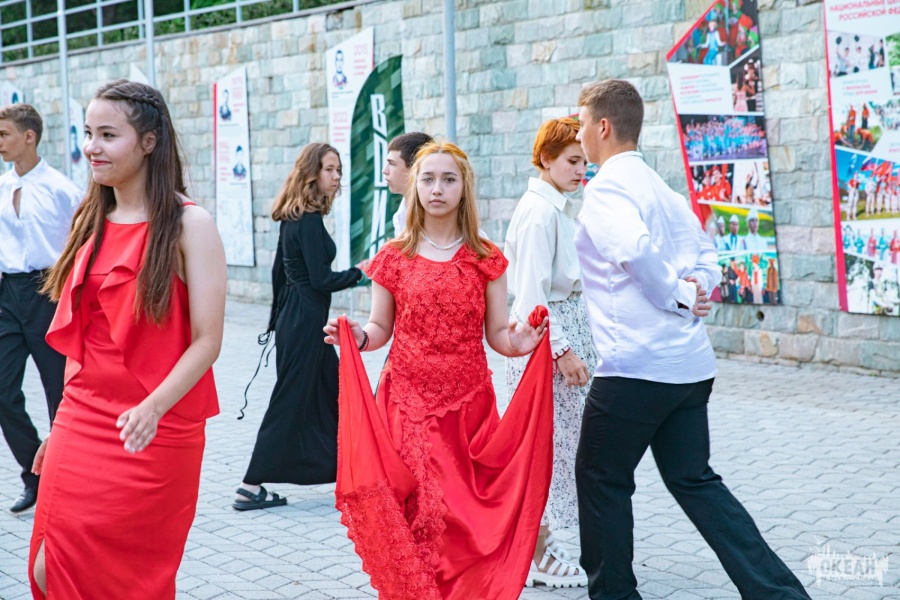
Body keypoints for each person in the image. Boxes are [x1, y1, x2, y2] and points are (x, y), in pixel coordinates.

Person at [573, 79, 811, 600]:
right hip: (688, 368)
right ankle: (779, 594)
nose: (579, 134)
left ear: (603, 126)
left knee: (600, 479)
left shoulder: (606, 189)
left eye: (582, 123)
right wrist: (695, 287)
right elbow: (707, 255)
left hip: (636, 369)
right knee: (694, 480)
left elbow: (635, 251)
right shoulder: (663, 189)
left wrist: (680, 295)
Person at [323, 141, 554, 599]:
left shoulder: (485, 257)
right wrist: (358, 337)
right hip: (405, 405)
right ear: (415, 186)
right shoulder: (394, 256)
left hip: (468, 412)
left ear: (464, 188)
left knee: (463, 524)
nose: (437, 189)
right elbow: (380, 327)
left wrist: (521, 344)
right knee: (412, 515)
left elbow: (498, 335)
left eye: (448, 180)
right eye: (428, 179)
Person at [30, 79, 226, 598]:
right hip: (81, 418)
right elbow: (85, 335)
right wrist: (60, 426)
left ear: (149, 142)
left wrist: (152, 408)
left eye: (108, 135)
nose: (91, 147)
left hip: (156, 426)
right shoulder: (90, 217)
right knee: (50, 568)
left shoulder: (190, 225)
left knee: (123, 579)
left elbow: (208, 341)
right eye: (87, 133)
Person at [234, 143, 365, 510]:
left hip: (297, 319)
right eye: (329, 169)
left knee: (333, 392)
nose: (336, 177)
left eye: (338, 170)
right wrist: (360, 273)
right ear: (312, 173)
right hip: (306, 321)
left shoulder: (293, 217)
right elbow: (321, 280)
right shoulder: (307, 220)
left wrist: (276, 323)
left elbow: (279, 273)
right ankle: (249, 485)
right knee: (290, 400)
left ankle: (355, 469)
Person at [504, 117, 592, 588]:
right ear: (545, 159)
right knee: (548, 447)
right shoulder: (540, 212)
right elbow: (531, 298)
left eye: (584, 162)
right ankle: (539, 550)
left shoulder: (557, 206)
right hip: (549, 339)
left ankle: (545, 543)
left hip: (564, 329)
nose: (581, 170)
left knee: (564, 445)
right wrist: (562, 351)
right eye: (573, 161)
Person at [0, 104, 82, 514]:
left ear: (29, 136)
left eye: (4, 134)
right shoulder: (1, 186)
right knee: (2, 391)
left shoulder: (62, 189)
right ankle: (34, 472)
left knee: (59, 395)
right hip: (8, 294)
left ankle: (66, 485)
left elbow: (82, 246)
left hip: (49, 292)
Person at [382, 131, 434, 236]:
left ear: (413, 168)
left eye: (392, 163)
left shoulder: (434, 212)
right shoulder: (401, 213)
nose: (385, 170)